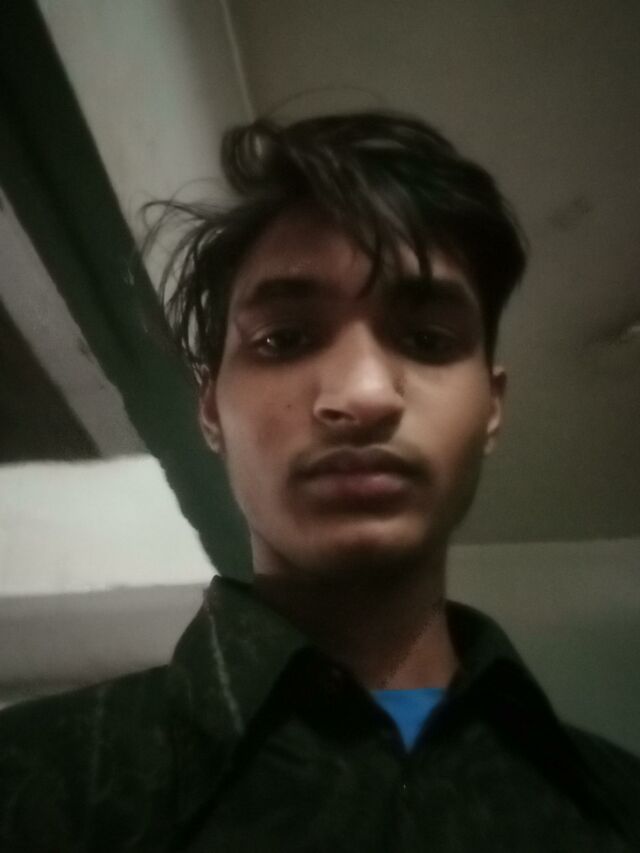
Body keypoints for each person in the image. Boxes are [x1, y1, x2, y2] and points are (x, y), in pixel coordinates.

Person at [0, 111, 638, 852]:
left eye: (427, 339)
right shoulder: (25, 782)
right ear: (211, 410)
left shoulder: (621, 806)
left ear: (491, 407)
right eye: (284, 338)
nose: (363, 395)